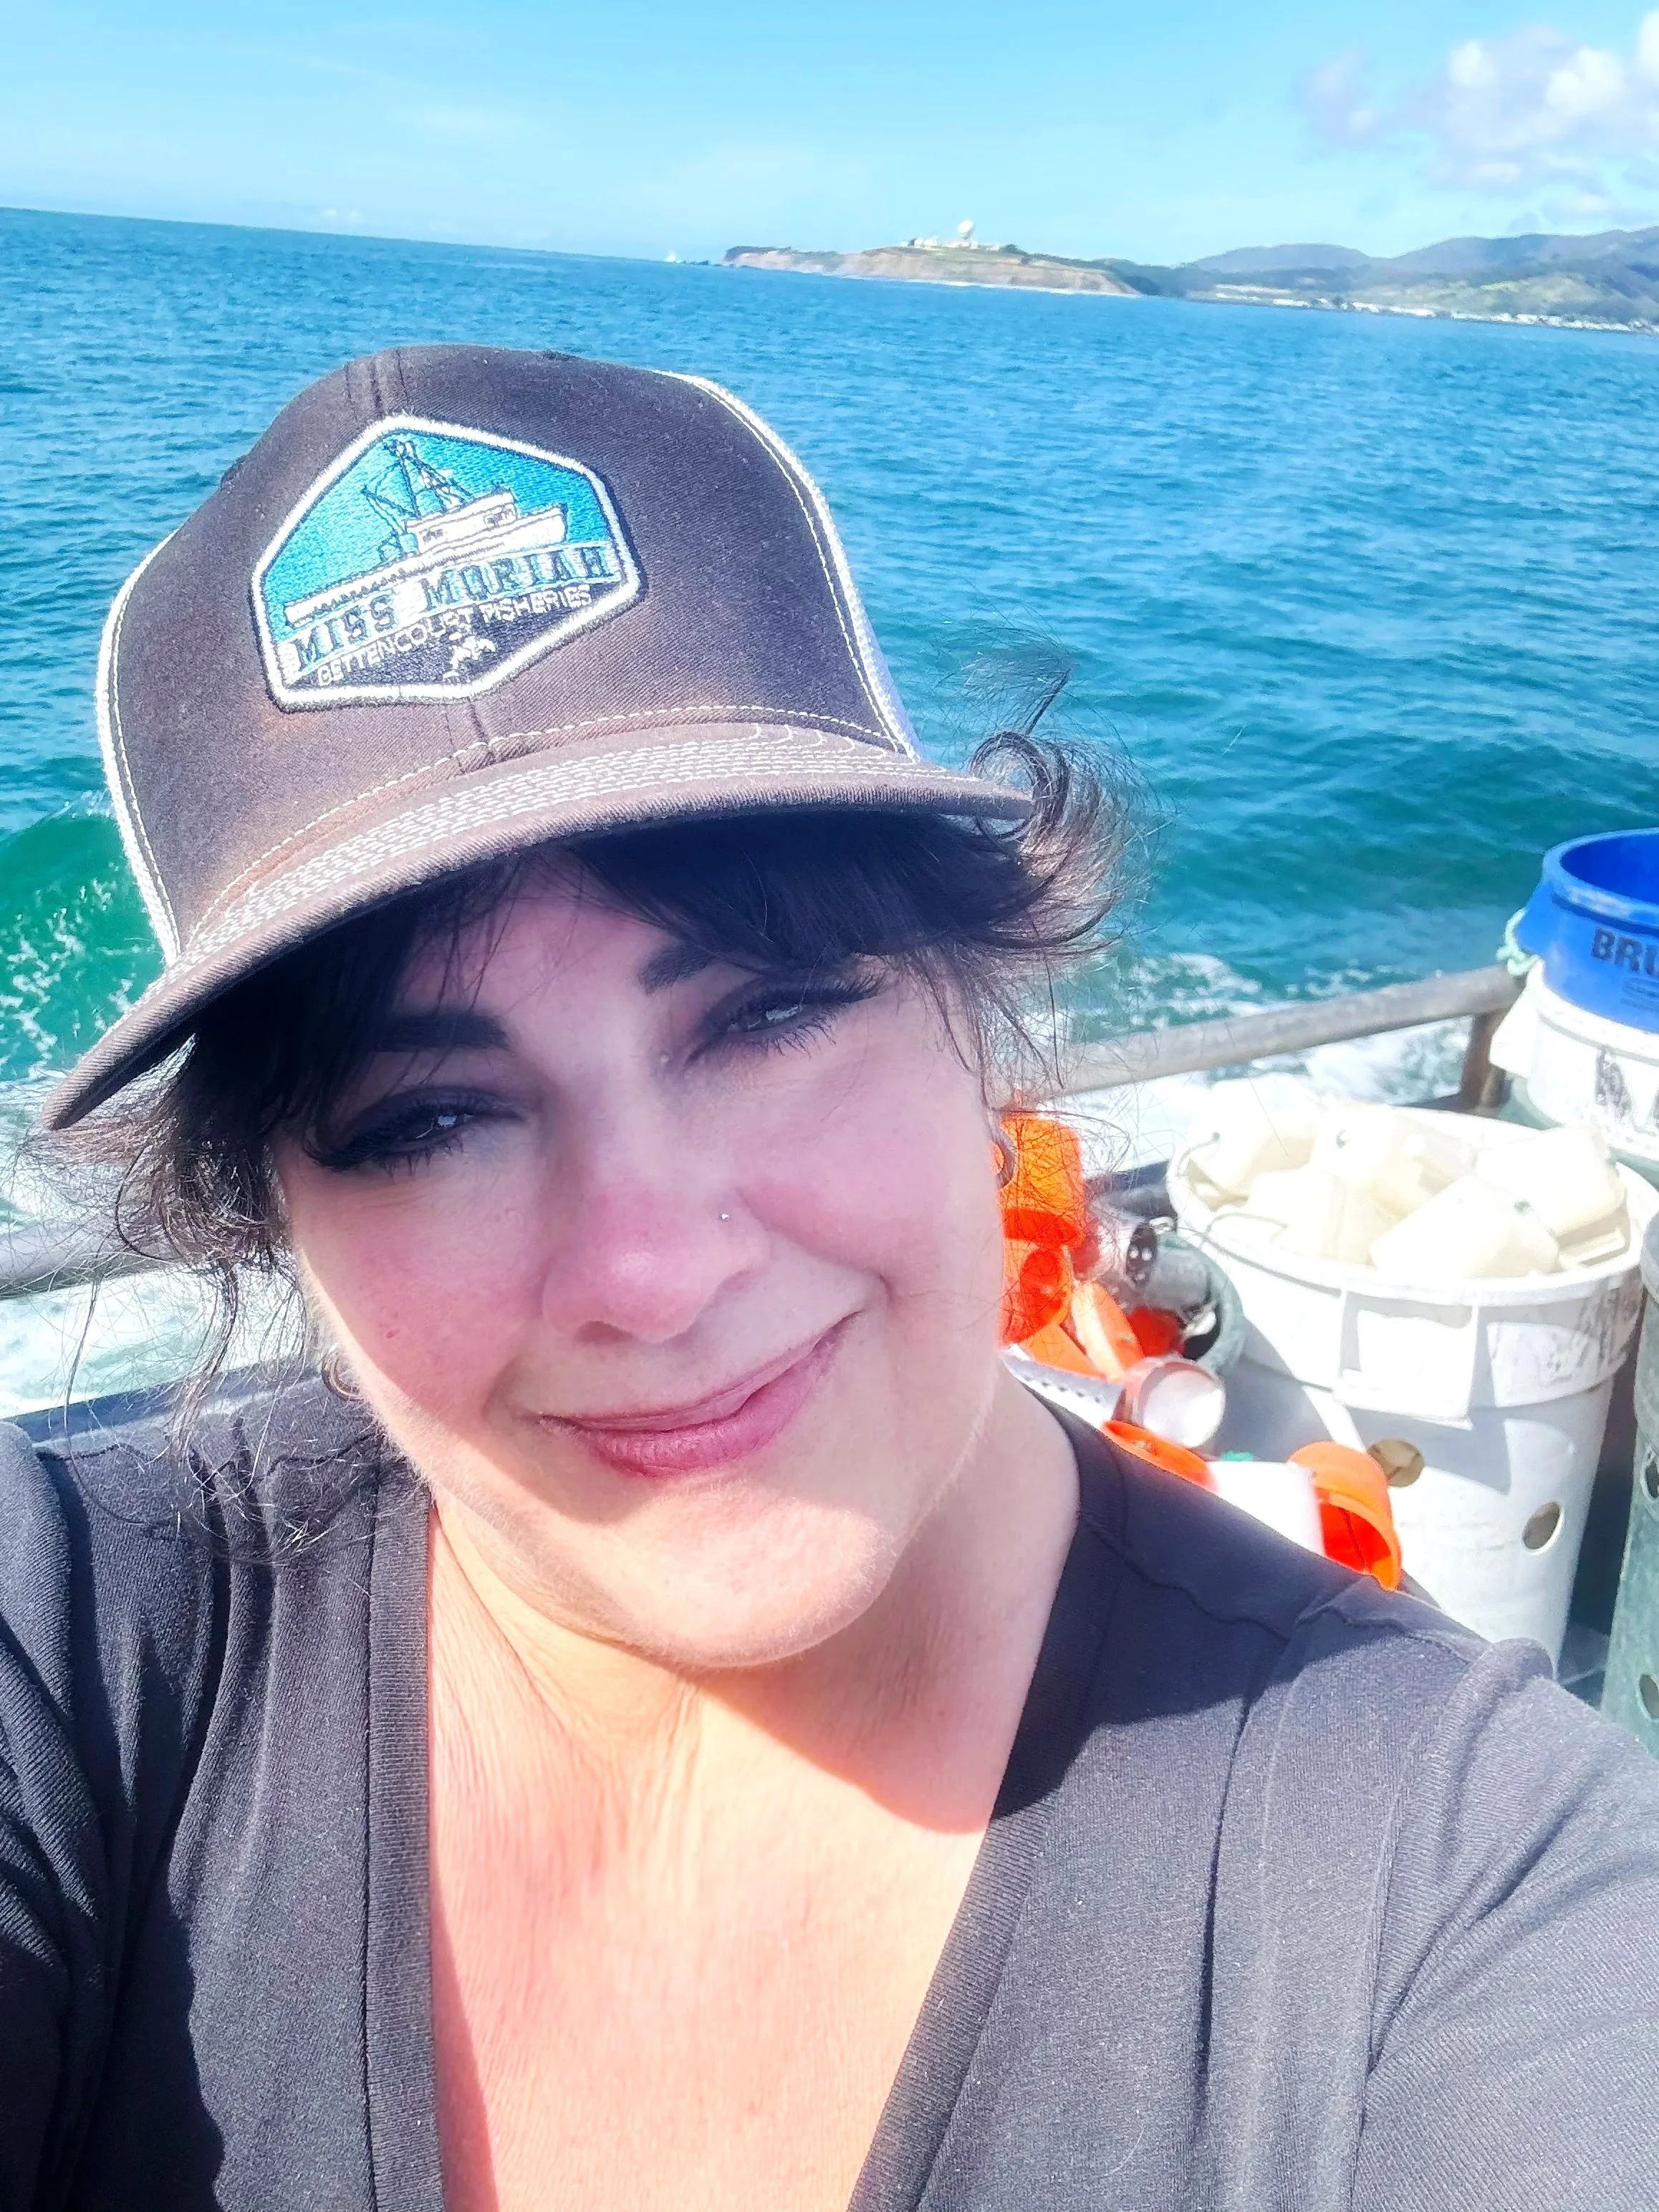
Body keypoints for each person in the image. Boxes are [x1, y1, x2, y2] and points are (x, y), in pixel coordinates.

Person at [4, 345, 1658, 2212]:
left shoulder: (1462, 1881)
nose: (650, 1267)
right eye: (423, 1121)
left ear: (984, 1013)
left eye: (770, 1013)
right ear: (273, 1215)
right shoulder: (75, 1654)